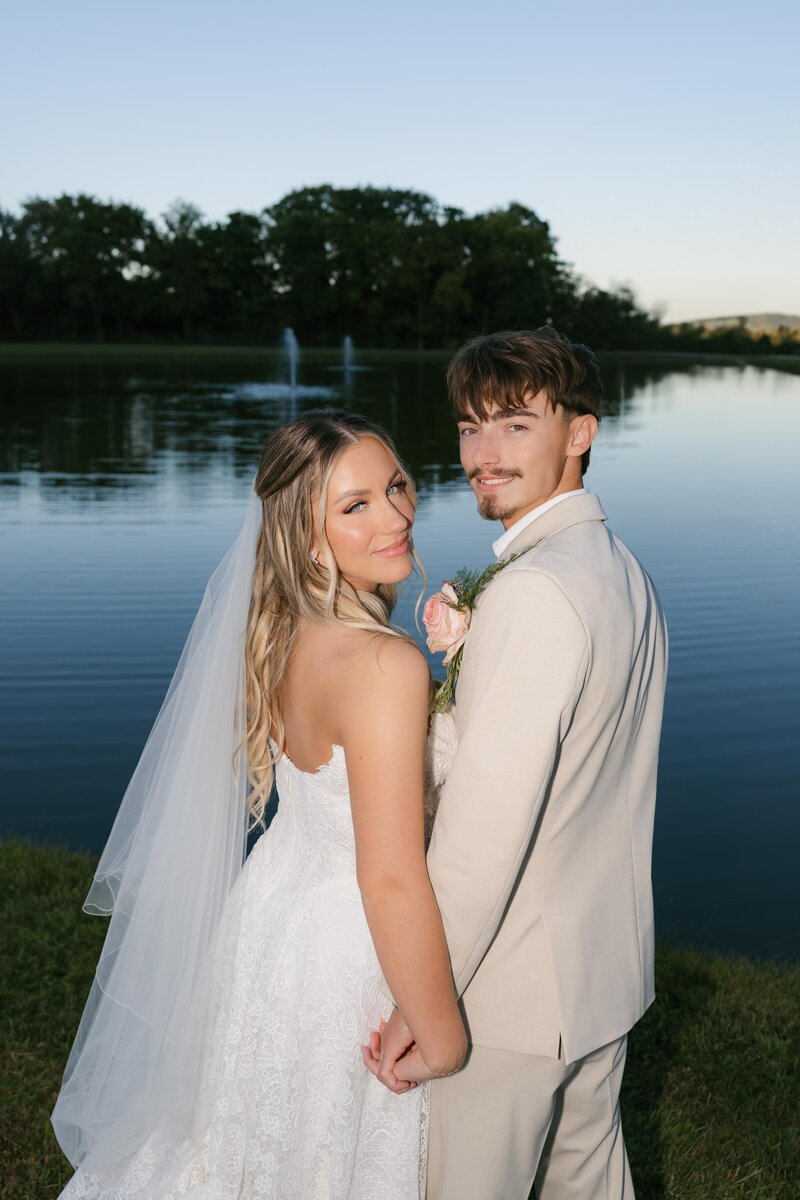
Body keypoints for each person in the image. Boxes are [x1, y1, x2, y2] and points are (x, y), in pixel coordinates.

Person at [53, 409, 466, 1199]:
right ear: (308, 538)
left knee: (250, 1142)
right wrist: (441, 1035)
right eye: (356, 505)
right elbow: (387, 875)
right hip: (349, 945)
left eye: (396, 486)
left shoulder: (280, 630)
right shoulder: (385, 665)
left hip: (272, 915)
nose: (396, 516)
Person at [366, 328, 669, 1200]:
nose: (482, 455)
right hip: (603, 978)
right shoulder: (619, 567)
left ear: (580, 432)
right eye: (470, 428)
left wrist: (425, 1001)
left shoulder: (533, 591)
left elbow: (482, 838)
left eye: (514, 425)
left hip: (511, 996)